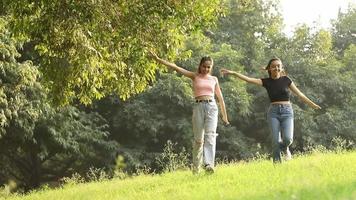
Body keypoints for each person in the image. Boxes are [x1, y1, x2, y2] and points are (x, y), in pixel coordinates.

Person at [220, 58, 321, 163]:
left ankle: (285, 148)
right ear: (269, 68)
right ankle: (277, 165)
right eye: (274, 66)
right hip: (273, 113)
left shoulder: (286, 80)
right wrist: (233, 73)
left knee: (288, 139)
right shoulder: (266, 82)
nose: (276, 68)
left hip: (287, 112)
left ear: (281, 68)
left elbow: (299, 94)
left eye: (278, 66)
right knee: (275, 141)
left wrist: (311, 104)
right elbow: (248, 79)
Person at [150, 51, 229, 173]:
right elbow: (176, 67)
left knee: (210, 135)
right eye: (204, 66)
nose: (206, 69)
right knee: (199, 140)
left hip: (212, 107)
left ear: (211, 67)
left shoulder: (214, 79)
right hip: (198, 107)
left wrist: (224, 116)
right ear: (200, 65)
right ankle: (196, 169)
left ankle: (209, 165)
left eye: (209, 67)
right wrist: (158, 59)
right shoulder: (194, 76)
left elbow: (220, 98)